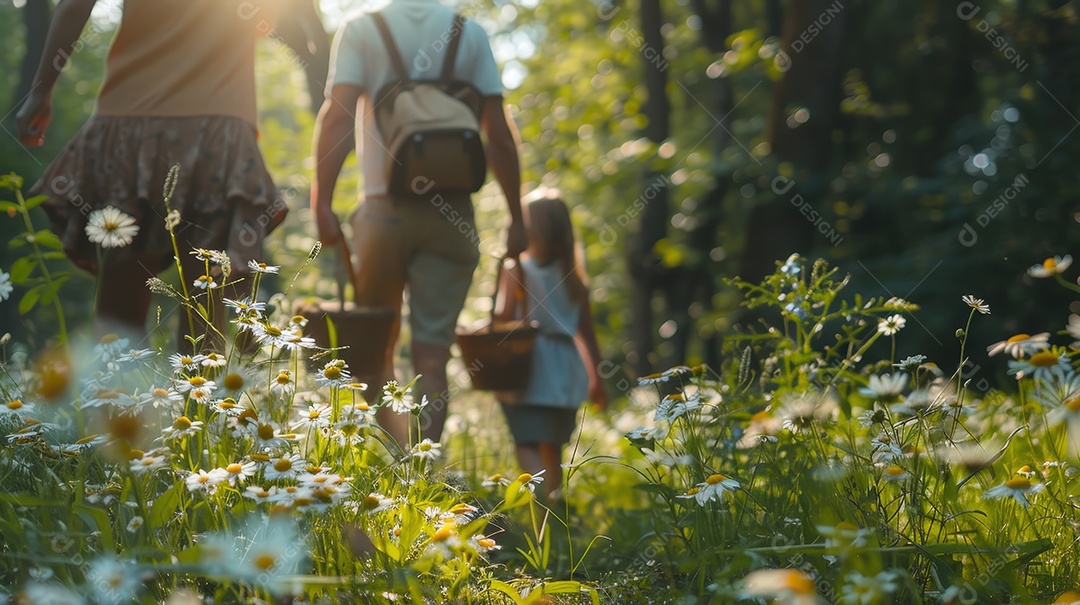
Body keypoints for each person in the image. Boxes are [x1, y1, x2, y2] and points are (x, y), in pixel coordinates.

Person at [311, 0, 527, 445]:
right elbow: (498, 134)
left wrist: (322, 203)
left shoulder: (361, 28)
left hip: (381, 211)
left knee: (375, 347)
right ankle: (420, 469)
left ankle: (392, 462)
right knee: (432, 355)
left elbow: (337, 116)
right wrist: (516, 216)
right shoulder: (470, 32)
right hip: (453, 216)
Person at [15, 0, 290, 348]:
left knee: (118, 323)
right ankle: (200, 400)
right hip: (219, 122)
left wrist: (41, 91)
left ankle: (113, 400)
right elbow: (265, 20)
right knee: (207, 314)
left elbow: (75, 5)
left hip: (133, 122)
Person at [494, 192, 607, 500]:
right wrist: (597, 378)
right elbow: (587, 334)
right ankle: (554, 504)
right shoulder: (575, 278)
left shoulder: (517, 269)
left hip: (529, 365)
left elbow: (502, 318)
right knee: (551, 444)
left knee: (526, 440)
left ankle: (539, 506)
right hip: (567, 371)